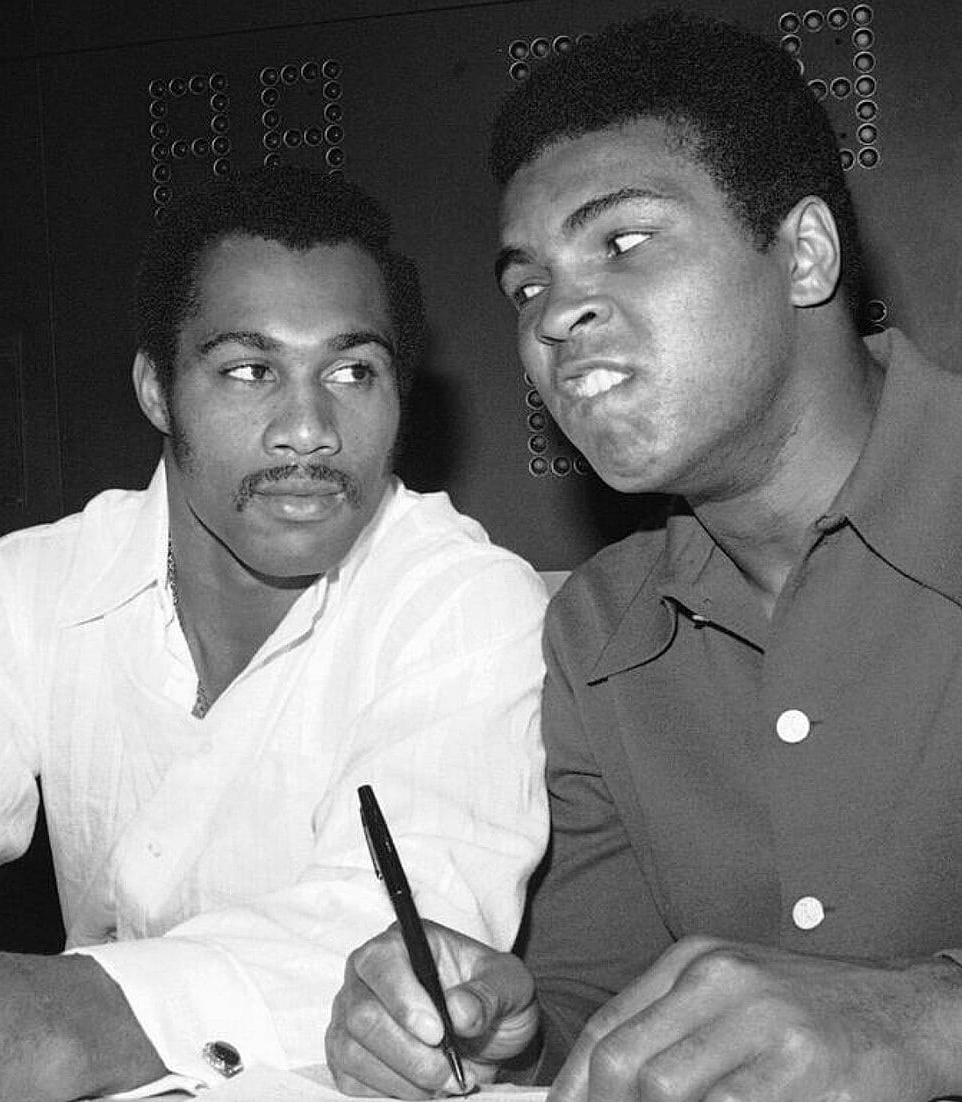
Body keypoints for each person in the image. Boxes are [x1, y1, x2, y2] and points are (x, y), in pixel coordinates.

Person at [0, 165, 549, 1102]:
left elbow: (391, 944)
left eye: (352, 371)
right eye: (249, 370)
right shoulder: (23, 595)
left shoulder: (464, 604)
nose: (309, 429)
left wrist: (29, 1022)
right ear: (155, 391)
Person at [327, 10, 962, 1101]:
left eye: (622, 242)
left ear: (803, 253)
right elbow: (601, 1008)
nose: (555, 315)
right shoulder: (596, 627)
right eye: (524, 285)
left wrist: (927, 1019)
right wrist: (494, 1034)